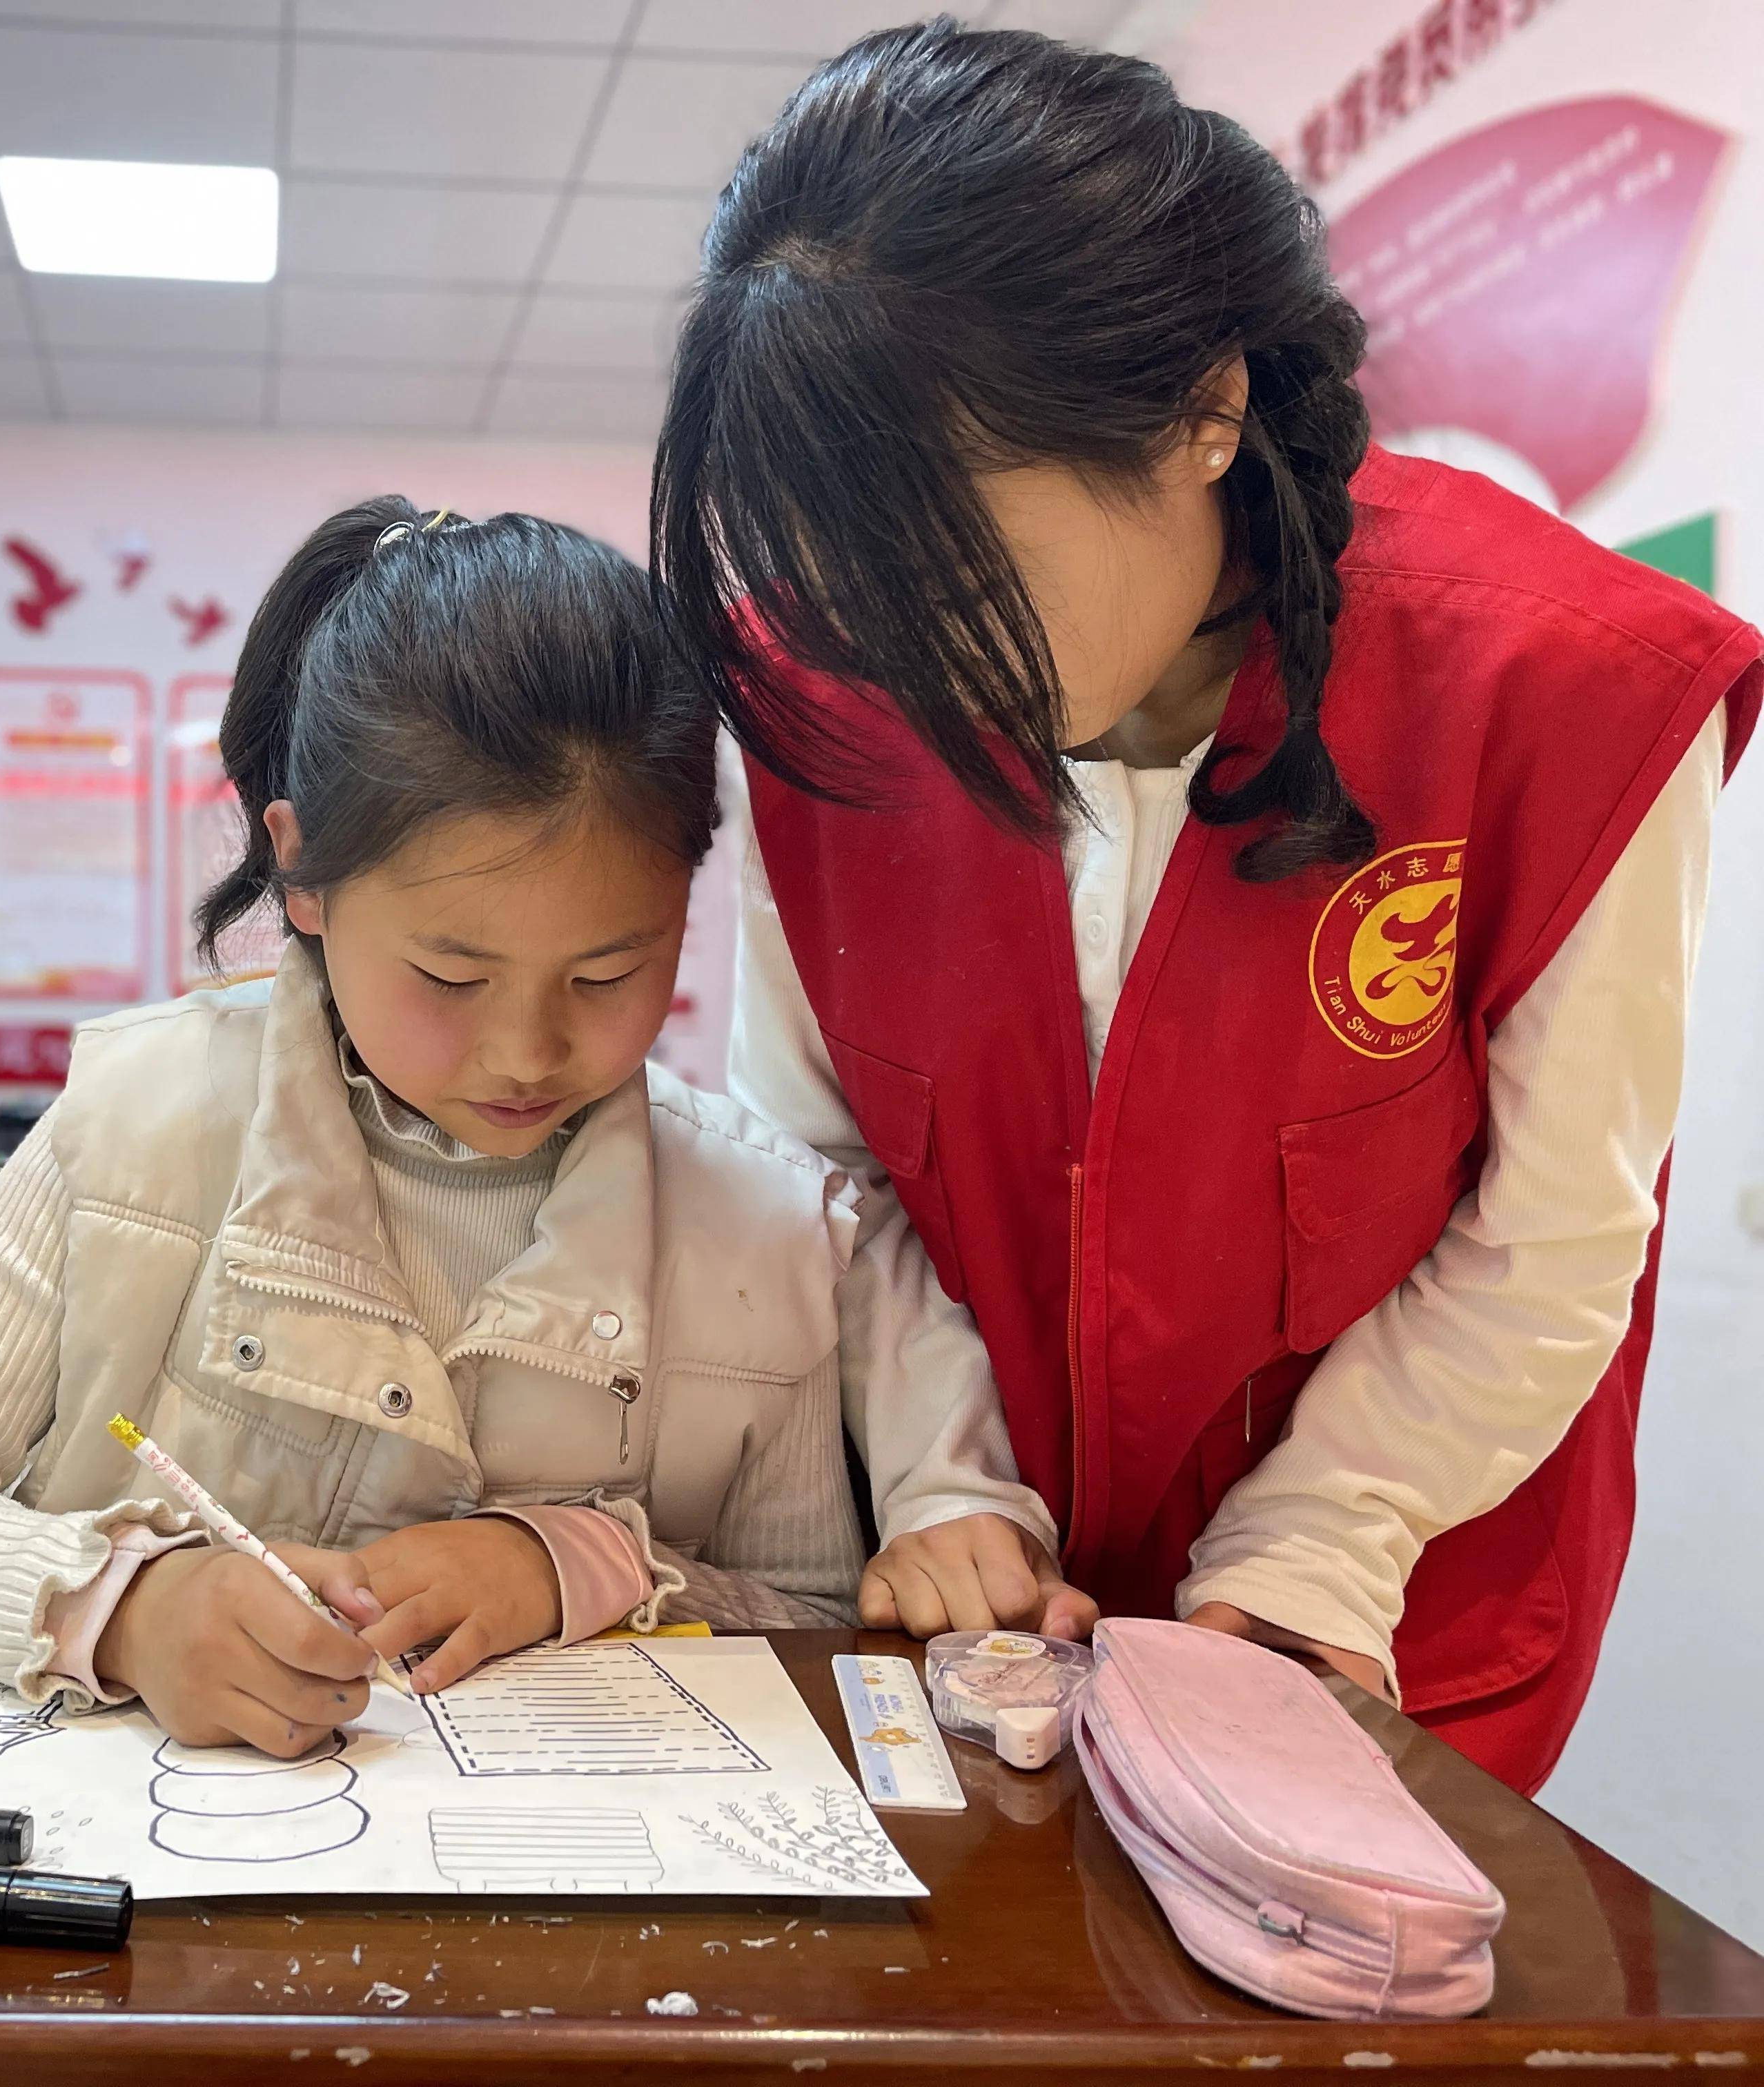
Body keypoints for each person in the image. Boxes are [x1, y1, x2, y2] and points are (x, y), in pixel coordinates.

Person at [651, 22, 1758, 1791]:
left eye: (956, 573)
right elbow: (827, 1176)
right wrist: (950, 1480)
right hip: (969, 1620)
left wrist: (1324, 1538)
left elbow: (1550, 1238)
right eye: (843, 577)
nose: (912, 667)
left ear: (1203, 414)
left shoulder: (1559, 690)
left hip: (1373, 1613)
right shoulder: (824, 693)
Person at [0, 496, 1086, 1759]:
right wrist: (123, 1602)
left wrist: (570, 1563)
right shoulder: (141, 1125)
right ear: (305, 872)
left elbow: (807, 1615)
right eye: (451, 977)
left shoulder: (761, 1227)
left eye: (606, 973)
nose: (525, 1050)